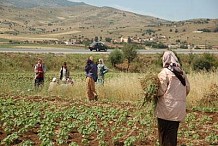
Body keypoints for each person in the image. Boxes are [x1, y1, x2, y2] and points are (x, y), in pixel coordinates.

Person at [156, 50, 190, 146]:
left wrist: (154, 95)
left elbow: (161, 90)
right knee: (172, 136)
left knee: (164, 137)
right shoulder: (182, 73)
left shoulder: (165, 73)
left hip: (166, 110)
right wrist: (178, 98)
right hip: (178, 111)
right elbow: (187, 89)